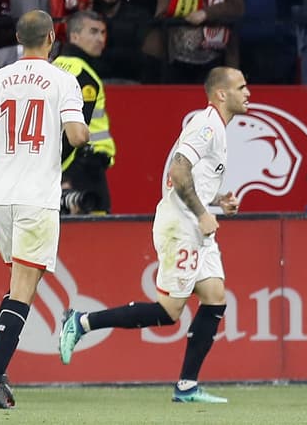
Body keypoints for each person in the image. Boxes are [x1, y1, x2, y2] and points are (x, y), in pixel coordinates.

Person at [57, 65, 249, 404]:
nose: (248, 93)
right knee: (170, 310)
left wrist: (217, 200)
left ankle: (187, 386)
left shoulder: (216, 128)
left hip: (194, 224)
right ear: (222, 93)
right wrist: (204, 214)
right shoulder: (206, 126)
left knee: (215, 296)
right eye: (242, 87)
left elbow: (186, 177)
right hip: (182, 226)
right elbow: (178, 169)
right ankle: (82, 321)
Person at [0, 10, 88, 410]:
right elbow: (77, 135)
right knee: (25, 288)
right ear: (52, 37)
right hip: (36, 195)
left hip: (0, 195)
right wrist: (82, 134)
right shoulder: (64, 80)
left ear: (18, 37)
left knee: (20, 282)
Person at [53, 10, 116, 213]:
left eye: (103, 33)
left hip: (64, 166)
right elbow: (74, 130)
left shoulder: (55, 65)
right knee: (97, 236)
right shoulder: (83, 73)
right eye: (93, 32)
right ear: (74, 36)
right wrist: (67, 174)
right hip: (83, 167)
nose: (100, 39)